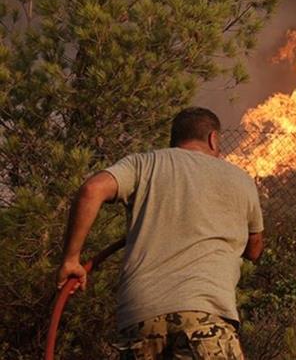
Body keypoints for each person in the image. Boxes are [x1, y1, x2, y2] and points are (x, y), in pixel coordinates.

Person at [56, 107, 264, 359]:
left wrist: (71, 259)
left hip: (141, 318)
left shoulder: (144, 163)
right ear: (213, 138)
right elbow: (254, 250)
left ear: (174, 139)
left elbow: (92, 189)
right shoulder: (240, 179)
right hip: (205, 317)